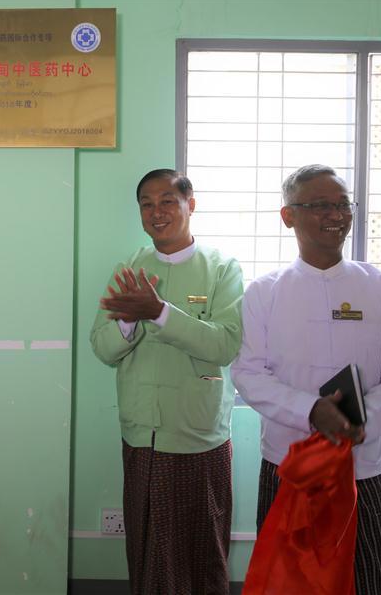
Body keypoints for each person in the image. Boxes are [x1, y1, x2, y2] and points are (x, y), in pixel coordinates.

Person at [231, 164, 381, 594]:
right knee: (286, 581)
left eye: (342, 205)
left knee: (365, 579)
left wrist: (363, 422)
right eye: (320, 205)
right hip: (290, 466)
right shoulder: (265, 292)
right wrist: (310, 411)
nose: (336, 215)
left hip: (362, 469)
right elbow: (247, 374)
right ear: (288, 216)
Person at [90, 169, 243, 594]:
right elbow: (102, 348)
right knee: (147, 553)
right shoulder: (130, 269)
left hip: (199, 438)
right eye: (146, 204)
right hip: (143, 437)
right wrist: (127, 321)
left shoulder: (222, 270)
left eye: (167, 201)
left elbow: (225, 345)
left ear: (189, 205)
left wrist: (159, 312)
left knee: (202, 553)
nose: (157, 212)